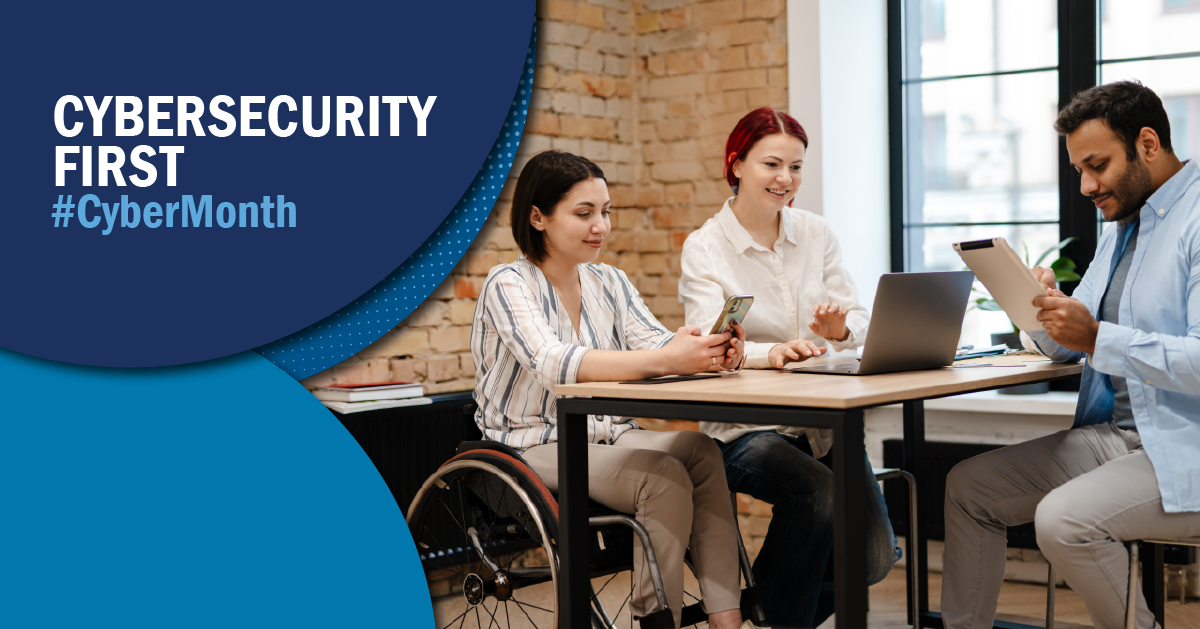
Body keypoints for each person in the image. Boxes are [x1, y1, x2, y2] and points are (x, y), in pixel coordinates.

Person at [940, 81, 1200, 629]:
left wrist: (1098, 336)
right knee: (969, 488)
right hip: (1120, 437)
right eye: (1078, 169)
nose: (1085, 185)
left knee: (1063, 520)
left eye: (1097, 165)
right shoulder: (1121, 224)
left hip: (1183, 444)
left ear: (1148, 144)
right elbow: (1067, 344)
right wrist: (1033, 305)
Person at [471, 150, 746, 629]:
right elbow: (554, 363)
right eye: (584, 214)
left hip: (604, 432)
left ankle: (729, 620)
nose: (600, 226)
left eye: (606, 211)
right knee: (662, 475)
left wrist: (713, 349)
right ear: (538, 217)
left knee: (702, 450)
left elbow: (658, 343)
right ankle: (655, 621)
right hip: (530, 443)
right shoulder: (508, 284)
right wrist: (668, 357)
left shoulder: (609, 281)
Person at [678, 107, 900, 628]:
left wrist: (839, 332)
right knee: (817, 495)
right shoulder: (705, 248)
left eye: (796, 167)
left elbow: (861, 317)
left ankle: (764, 607)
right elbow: (708, 344)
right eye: (772, 165)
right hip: (744, 431)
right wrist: (769, 353)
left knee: (872, 559)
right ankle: (778, 617)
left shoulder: (816, 233)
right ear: (736, 164)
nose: (786, 180)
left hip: (822, 425)